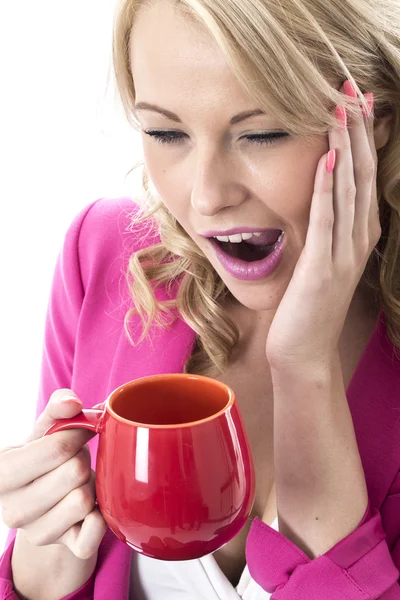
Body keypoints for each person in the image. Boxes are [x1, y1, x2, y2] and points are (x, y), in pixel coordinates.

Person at [1, 0, 400, 597]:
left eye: (261, 134)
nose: (207, 196)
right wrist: (45, 558)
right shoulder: (106, 255)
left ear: (377, 124)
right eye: (165, 132)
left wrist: (304, 368)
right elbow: (50, 574)